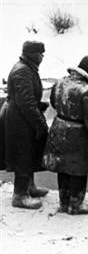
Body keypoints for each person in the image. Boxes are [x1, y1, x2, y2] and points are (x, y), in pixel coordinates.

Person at [43, 56, 88, 214]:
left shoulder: (60, 82)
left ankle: (64, 202)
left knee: (62, 167)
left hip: (58, 128)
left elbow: (53, 103)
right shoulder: (86, 90)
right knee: (78, 169)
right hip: (78, 134)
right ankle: (76, 205)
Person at [0, 41, 49, 209]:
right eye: (40, 53)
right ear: (31, 53)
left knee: (30, 150)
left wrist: (39, 105)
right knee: (23, 152)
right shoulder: (22, 71)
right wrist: (40, 123)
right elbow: (26, 102)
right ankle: (20, 195)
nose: (43, 55)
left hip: (20, 115)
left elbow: (27, 99)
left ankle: (30, 186)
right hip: (18, 119)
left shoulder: (27, 68)